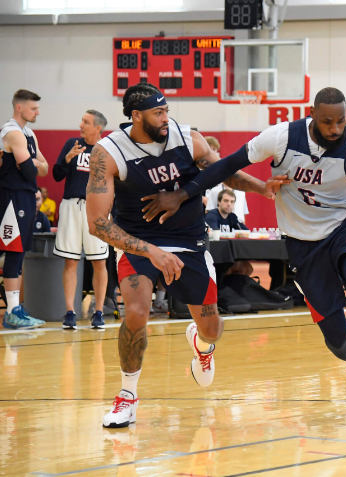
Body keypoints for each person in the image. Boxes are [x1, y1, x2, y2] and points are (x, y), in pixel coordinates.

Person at [141, 87, 346, 420]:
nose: (335, 129)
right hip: (302, 243)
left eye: (341, 121)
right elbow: (226, 165)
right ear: (312, 113)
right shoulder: (280, 137)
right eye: (327, 121)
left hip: (344, 229)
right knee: (335, 338)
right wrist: (182, 194)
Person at [85, 82, 286, 428]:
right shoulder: (108, 153)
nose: (166, 118)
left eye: (166, 110)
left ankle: (201, 345)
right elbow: (98, 224)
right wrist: (153, 253)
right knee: (135, 311)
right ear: (136, 116)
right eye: (158, 112)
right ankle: (127, 396)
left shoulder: (187, 138)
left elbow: (223, 171)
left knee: (212, 329)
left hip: (190, 242)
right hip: (140, 242)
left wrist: (261, 188)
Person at [53, 110, 110, 330]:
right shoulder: (72, 143)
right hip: (71, 206)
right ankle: (70, 313)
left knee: (99, 262)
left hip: (96, 209)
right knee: (70, 261)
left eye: (86, 122)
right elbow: (57, 175)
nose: (81, 125)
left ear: (98, 127)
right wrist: (67, 159)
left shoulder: (108, 149)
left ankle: (98, 312)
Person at [0, 89, 49, 330]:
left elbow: (44, 168)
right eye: (33, 108)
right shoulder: (12, 132)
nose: (37, 112)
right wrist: (33, 164)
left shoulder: (28, 133)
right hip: (12, 198)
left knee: (18, 254)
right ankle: (11, 312)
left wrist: (33, 163)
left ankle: (14, 309)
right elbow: (31, 171)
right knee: (12, 252)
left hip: (26, 197)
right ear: (19, 107)